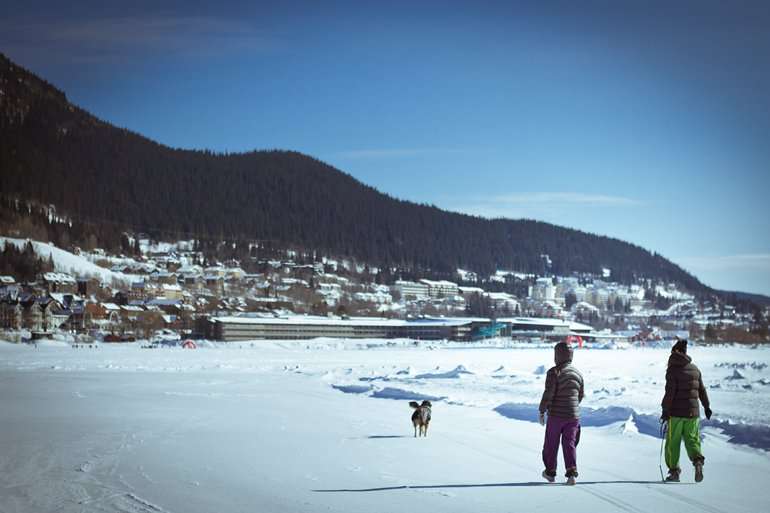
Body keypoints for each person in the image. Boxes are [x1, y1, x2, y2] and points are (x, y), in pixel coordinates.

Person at [661, 338, 712, 483]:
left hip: (676, 414)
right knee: (692, 439)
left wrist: (665, 410)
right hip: (693, 413)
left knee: (673, 442)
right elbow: (702, 390)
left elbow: (669, 393)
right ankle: (697, 461)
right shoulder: (695, 369)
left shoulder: (672, 370)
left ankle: (674, 472)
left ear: (675, 352)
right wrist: (707, 406)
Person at [539, 341, 584, 485]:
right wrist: (572, 407)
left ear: (557, 355)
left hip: (557, 415)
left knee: (551, 444)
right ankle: (571, 474)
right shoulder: (578, 373)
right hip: (574, 416)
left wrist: (542, 410)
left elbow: (549, 393)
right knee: (569, 443)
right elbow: (580, 396)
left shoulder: (554, 372)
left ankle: (550, 473)